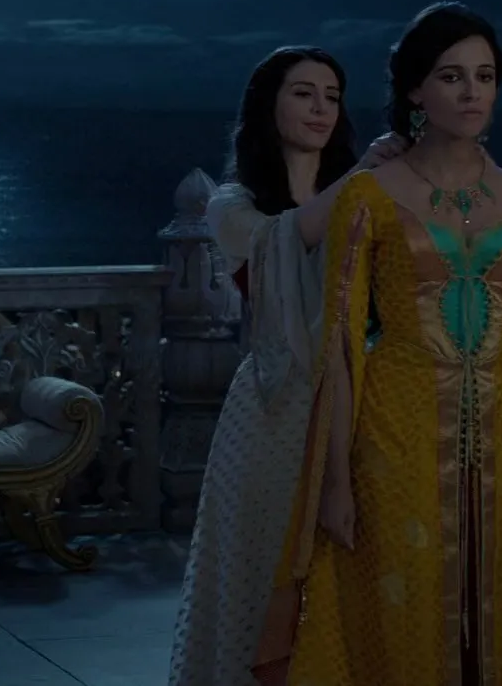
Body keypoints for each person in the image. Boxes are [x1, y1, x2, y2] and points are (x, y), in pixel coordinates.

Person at [254, 3, 502, 686]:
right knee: (407, 609)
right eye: (452, 77)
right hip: (397, 431)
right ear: (416, 90)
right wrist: (335, 482)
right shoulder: (369, 196)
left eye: (485, 76)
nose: (472, 92)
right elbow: (342, 346)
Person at [167, 46, 404, 686]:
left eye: (332, 96)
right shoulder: (232, 203)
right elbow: (287, 236)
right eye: (304, 93)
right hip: (275, 404)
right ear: (268, 105)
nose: (321, 108)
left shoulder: (365, 195)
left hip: (364, 396)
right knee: (264, 562)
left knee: (356, 566)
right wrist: (364, 175)